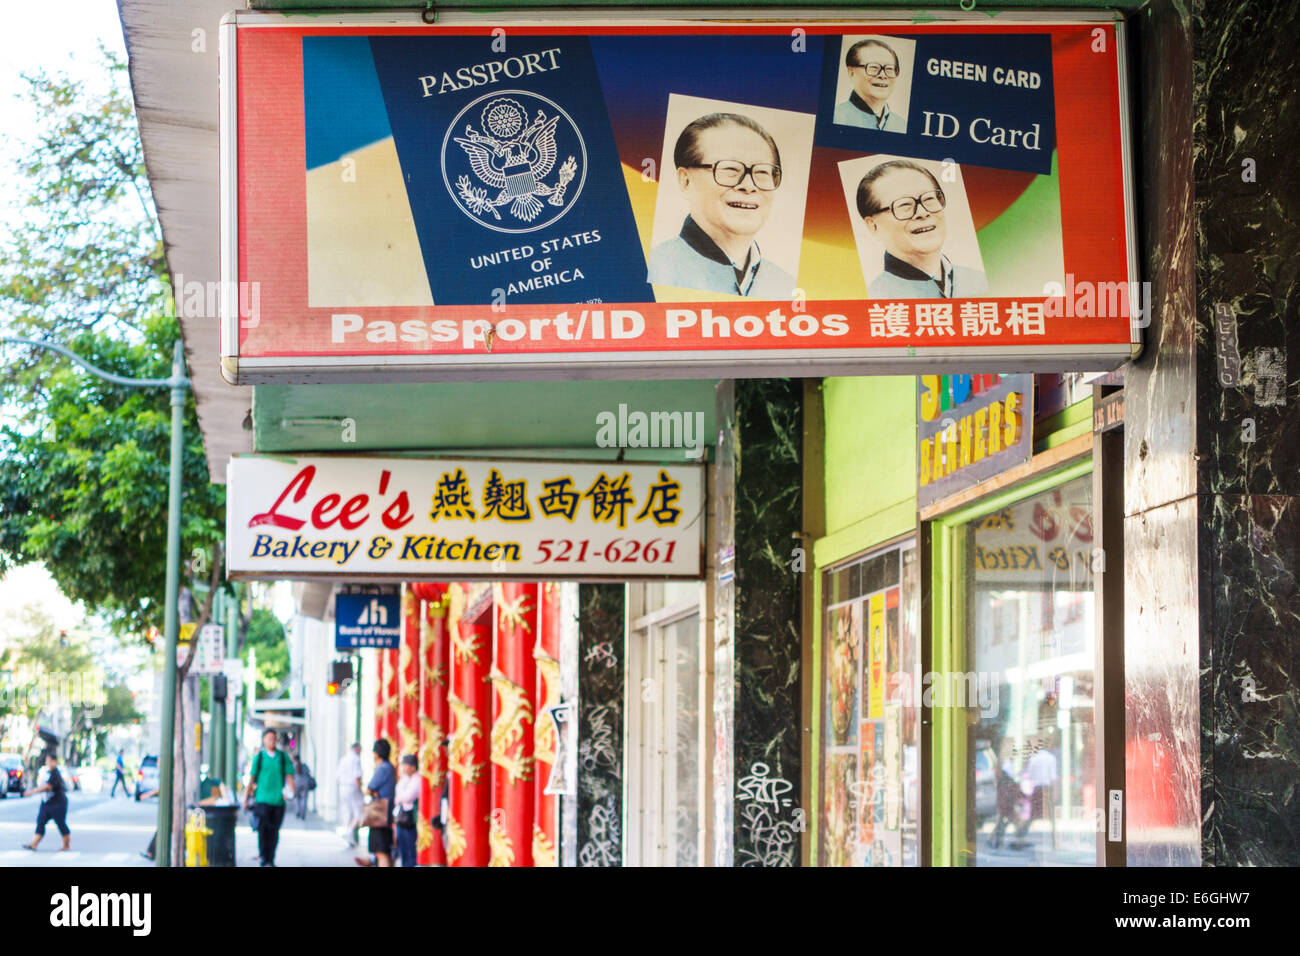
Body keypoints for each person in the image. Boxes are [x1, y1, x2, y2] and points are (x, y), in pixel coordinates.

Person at [647, 112, 796, 298]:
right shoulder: (651, 269)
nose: (749, 186)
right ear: (685, 181)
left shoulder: (787, 287)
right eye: (730, 169)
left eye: (763, 172)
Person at [855, 159, 989, 299]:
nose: (922, 212)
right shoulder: (874, 298)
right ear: (873, 226)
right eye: (904, 205)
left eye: (929, 199)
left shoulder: (978, 280)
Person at [139, 775, 231, 861]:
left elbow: (163, 788)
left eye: (159, 761)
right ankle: (152, 851)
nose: (158, 764)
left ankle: (154, 852)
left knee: (170, 828)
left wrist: (148, 795)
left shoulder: (177, 775)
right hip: (183, 808)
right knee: (168, 828)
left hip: (182, 809)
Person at [245, 728, 295, 867]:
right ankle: (263, 857)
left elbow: (289, 776)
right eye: (269, 738)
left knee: (274, 831)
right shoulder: (259, 757)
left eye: (274, 738)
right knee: (263, 830)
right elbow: (252, 778)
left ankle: (271, 858)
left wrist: (292, 791)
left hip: (278, 800)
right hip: (262, 800)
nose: (272, 741)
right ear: (264, 740)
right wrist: (245, 798)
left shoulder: (282, 757)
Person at [834, 38, 907, 131]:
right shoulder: (836, 118)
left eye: (889, 69)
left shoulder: (903, 126)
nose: (883, 75)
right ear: (851, 72)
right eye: (874, 67)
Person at [355, 739, 396, 867]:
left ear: (377, 753)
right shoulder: (390, 767)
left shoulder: (383, 767)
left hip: (380, 814)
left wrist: (373, 792)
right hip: (387, 811)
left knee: (381, 852)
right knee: (385, 851)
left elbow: (370, 788)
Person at [21, 751, 70, 852]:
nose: (47, 763)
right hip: (47, 803)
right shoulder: (47, 773)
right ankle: (34, 844)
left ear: (55, 762)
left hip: (58, 803)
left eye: (50, 761)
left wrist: (32, 792)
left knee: (61, 823)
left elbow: (47, 787)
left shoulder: (56, 774)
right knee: (40, 822)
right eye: (47, 761)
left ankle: (66, 845)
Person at [394, 754, 421, 867]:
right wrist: (401, 798)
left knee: (410, 848)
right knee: (402, 848)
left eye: (406, 765)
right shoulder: (404, 779)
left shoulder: (417, 779)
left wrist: (401, 798)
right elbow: (398, 793)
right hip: (400, 816)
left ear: (413, 767)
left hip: (410, 818)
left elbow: (408, 796)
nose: (404, 768)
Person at [336, 742, 364, 846]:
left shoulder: (343, 759)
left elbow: (337, 776)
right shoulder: (356, 759)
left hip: (343, 787)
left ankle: (348, 833)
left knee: (347, 812)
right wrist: (360, 789)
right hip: (352, 787)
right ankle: (349, 832)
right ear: (357, 749)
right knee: (358, 812)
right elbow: (357, 776)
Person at [292, 756, 312, 820]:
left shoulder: (293, 766)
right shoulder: (304, 766)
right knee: (304, 798)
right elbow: (308, 773)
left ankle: (298, 811)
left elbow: (291, 775)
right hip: (305, 783)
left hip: (296, 783)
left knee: (297, 798)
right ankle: (303, 813)